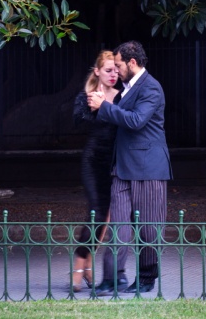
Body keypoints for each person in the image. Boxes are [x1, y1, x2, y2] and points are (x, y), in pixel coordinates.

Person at [87, 40, 171, 295]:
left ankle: (147, 278)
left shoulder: (151, 88)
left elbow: (135, 121)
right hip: (121, 168)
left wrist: (105, 107)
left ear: (133, 63)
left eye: (120, 64)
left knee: (148, 228)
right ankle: (112, 279)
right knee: (119, 228)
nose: (116, 69)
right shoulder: (127, 88)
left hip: (148, 169)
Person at [70, 51, 121, 291]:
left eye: (116, 70)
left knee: (106, 218)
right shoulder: (87, 96)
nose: (114, 74)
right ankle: (79, 264)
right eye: (109, 70)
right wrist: (96, 106)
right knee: (96, 214)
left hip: (115, 163)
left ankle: (88, 262)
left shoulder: (123, 97)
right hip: (93, 161)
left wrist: (108, 107)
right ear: (98, 71)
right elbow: (77, 122)